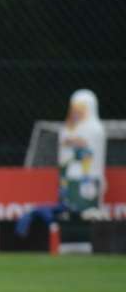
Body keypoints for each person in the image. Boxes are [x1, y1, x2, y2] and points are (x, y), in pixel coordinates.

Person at [16, 89, 107, 236]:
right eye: (75, 109)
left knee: (86, 204)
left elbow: (87, 148)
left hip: (86, 178)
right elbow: (67, 146)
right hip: (69, 178)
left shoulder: (95, 129)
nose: (77, 112)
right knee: (68, 204)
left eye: (81, 109)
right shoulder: (67, 129)